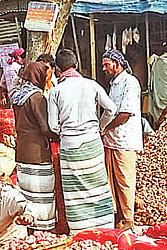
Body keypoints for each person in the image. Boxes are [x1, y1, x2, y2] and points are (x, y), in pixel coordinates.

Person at [47, 49, 117, 233]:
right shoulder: (90, 85)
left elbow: (53, 126)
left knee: (74, 190)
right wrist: (100, 127)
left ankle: (79, 230)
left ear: (58, 70)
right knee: (98, 184)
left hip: (70, 146)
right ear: (76, 65)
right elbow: (111, 109)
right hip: (92, 142)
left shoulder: (56, 91)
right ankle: (104, 227)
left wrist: (67, 131)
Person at [12, 61, 60, 231]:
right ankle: (43, 226)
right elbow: (45, 128)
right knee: (42, 192)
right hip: (37, 152)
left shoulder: (18, 96)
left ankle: (29, 224)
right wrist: (60, 136)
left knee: (26, 192)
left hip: (22, 151)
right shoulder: (37, 97)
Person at [101, 50, 143, 231]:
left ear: (117, 64)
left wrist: (105, 128)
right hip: (111, 140)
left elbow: (125, 113)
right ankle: (118, 216)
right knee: (113, 182)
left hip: (124, 140)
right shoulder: (114, 84)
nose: (104, 68)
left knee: (125, 180)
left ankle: (128, 220)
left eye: (107, 64)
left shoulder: (130, 83)